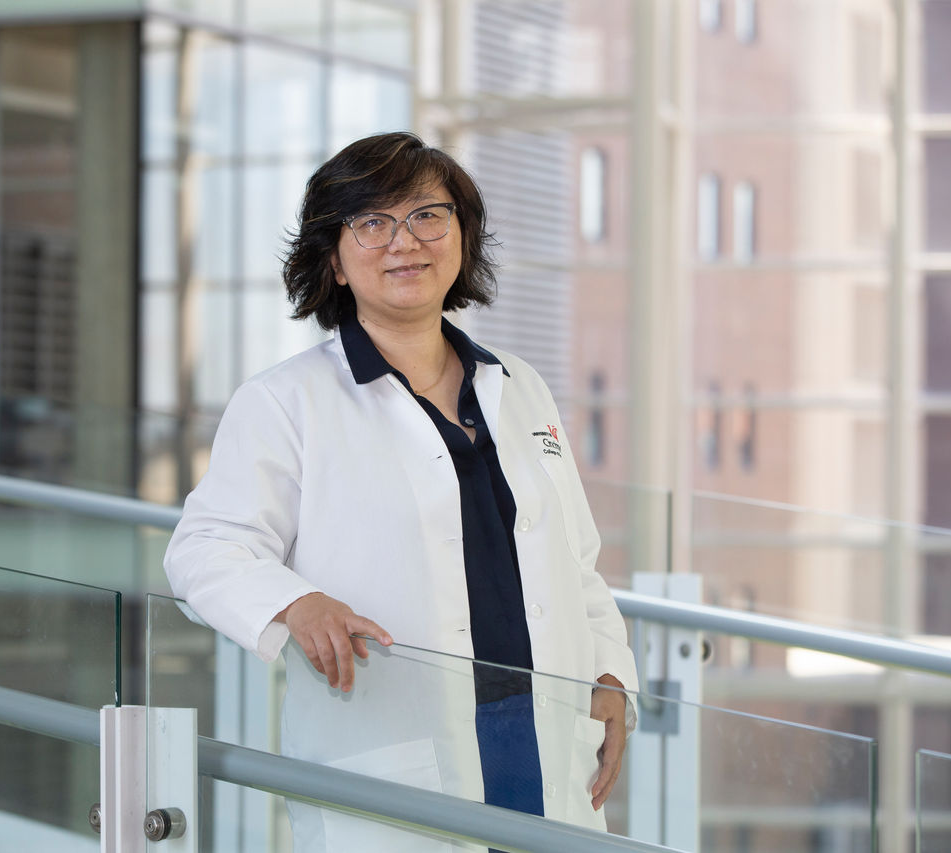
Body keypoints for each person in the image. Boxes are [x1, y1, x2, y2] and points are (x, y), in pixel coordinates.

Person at [164, 131, 637, 851]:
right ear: (335, 260)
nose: (403, 241)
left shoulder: (518, 385)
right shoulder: (286, 402)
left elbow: (576, 560)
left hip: (542, 731)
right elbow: (203, 549)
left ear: (461, 235)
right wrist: (296, 601)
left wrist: (610, 670)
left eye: (427, 216)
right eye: (371, 223)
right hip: (397, 749)